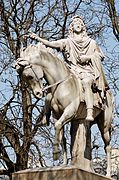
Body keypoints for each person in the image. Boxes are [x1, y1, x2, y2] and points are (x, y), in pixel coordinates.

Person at [29, 15, 109, 121]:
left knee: (86, 82)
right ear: (72, 27)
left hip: (87, 72)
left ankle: (89, 111)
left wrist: (88, 57)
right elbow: (51, 44)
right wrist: (38, 38)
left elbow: (100, 56)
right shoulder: (67, 42)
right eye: (76, 24)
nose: (78, 25)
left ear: (83, 27)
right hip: (72, 71)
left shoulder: (91, 43)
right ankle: (47, 114)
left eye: (80, 24)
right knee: (53, 87)